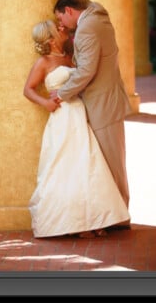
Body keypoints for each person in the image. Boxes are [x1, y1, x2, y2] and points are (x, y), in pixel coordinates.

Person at [23, 20, 130, 238]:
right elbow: (28, 89)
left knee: (88, 164)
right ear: (51, 39)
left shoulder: (70, 57)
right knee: (63, 165)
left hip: (80, 113)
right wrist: (45, 103)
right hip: (62, 118)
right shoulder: (43, 62)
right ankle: (65, 222)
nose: (62, 29)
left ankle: (95, 219)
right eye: (58, 28)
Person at [47, 0, 133, 229]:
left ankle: (120, 218)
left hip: (102, 103)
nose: (61, 24)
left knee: (111, 161)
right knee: (112, 159)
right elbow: (84, 2)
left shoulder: (85, 30)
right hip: (110, 99)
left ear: (70, 11)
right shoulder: (97, 12)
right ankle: (116, 214)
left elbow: (85, 71)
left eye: (60, 16)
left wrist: (60, 94)